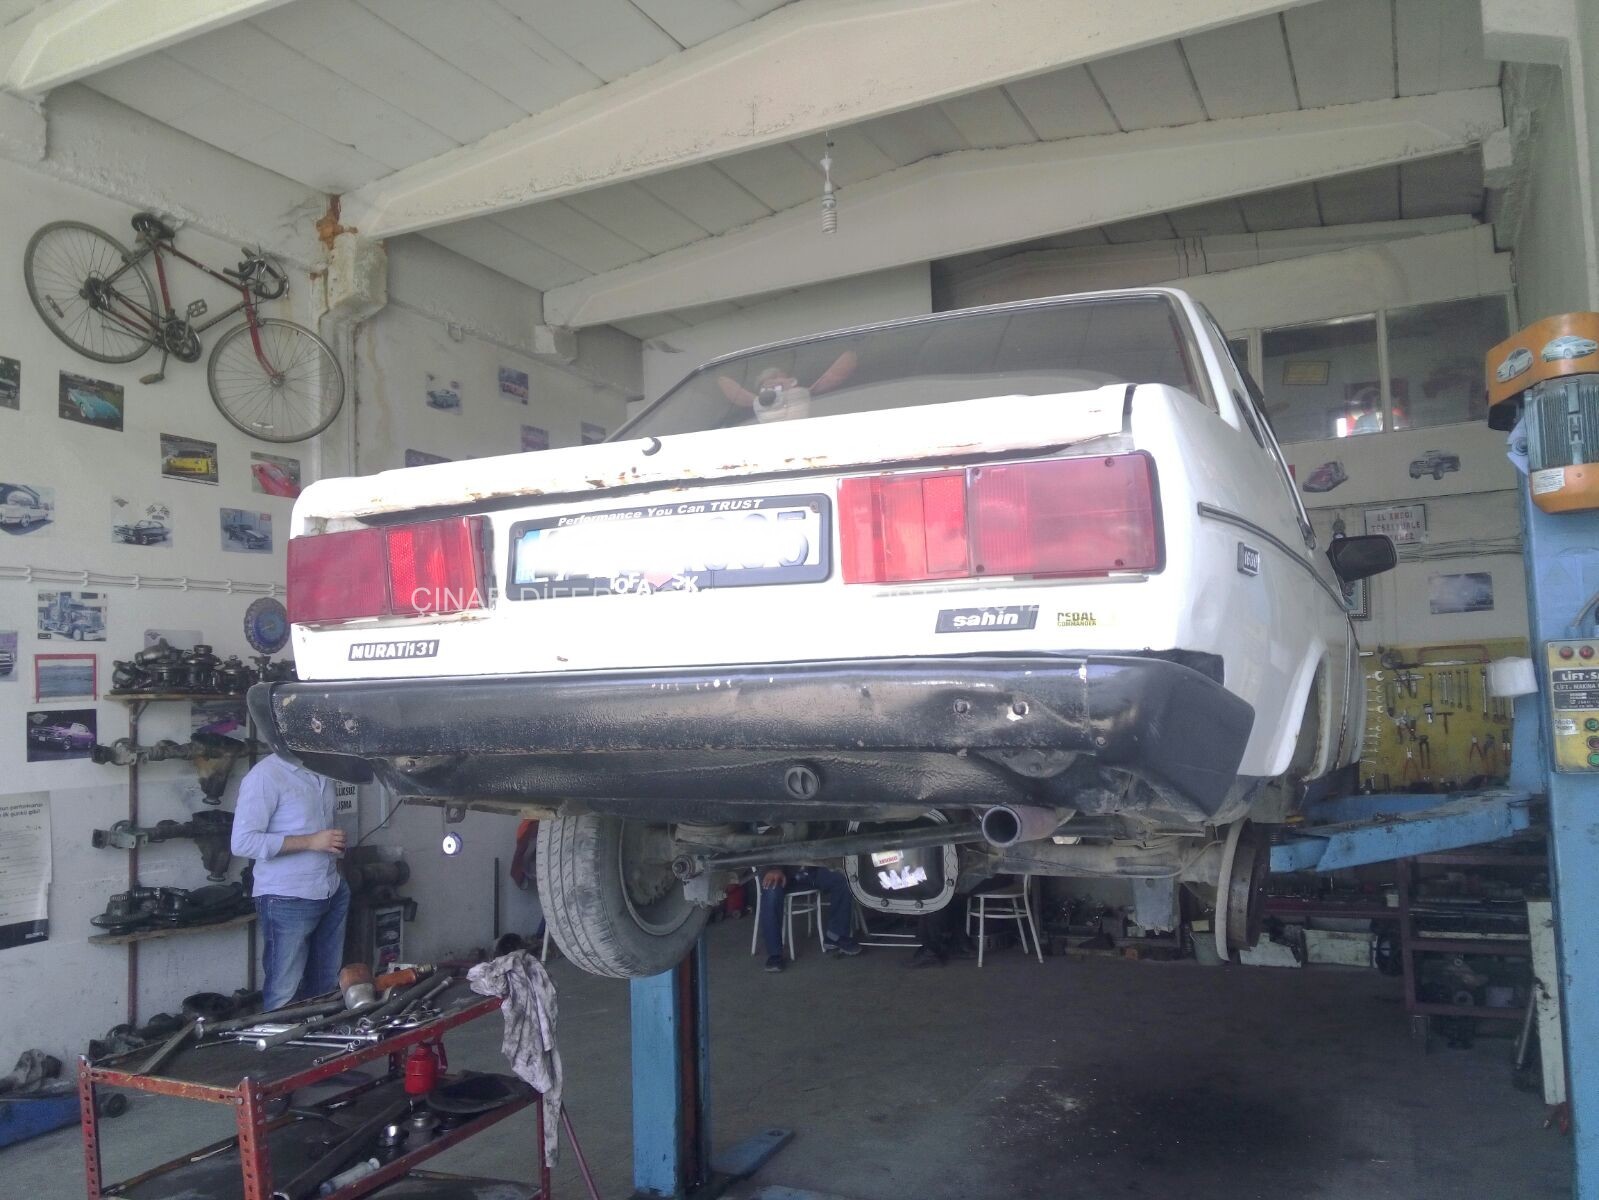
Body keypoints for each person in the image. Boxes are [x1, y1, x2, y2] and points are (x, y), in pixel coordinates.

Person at [230, 753, 350, 1009]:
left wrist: (334, 849)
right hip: (287, 897)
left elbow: (325, 825)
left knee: (326, 986)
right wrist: (311, 841)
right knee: (283, 994)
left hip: (331, 889)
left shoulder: (324, 770)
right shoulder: (265, 775)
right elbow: (242, 842)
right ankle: (282, 1036)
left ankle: (320, 1034)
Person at [758, 865, 862, 972]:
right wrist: (774, 868)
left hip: (811, 868)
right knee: (771, 891)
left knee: (843, 880)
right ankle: (774, 954)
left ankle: (835, 936)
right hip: (778, 869)